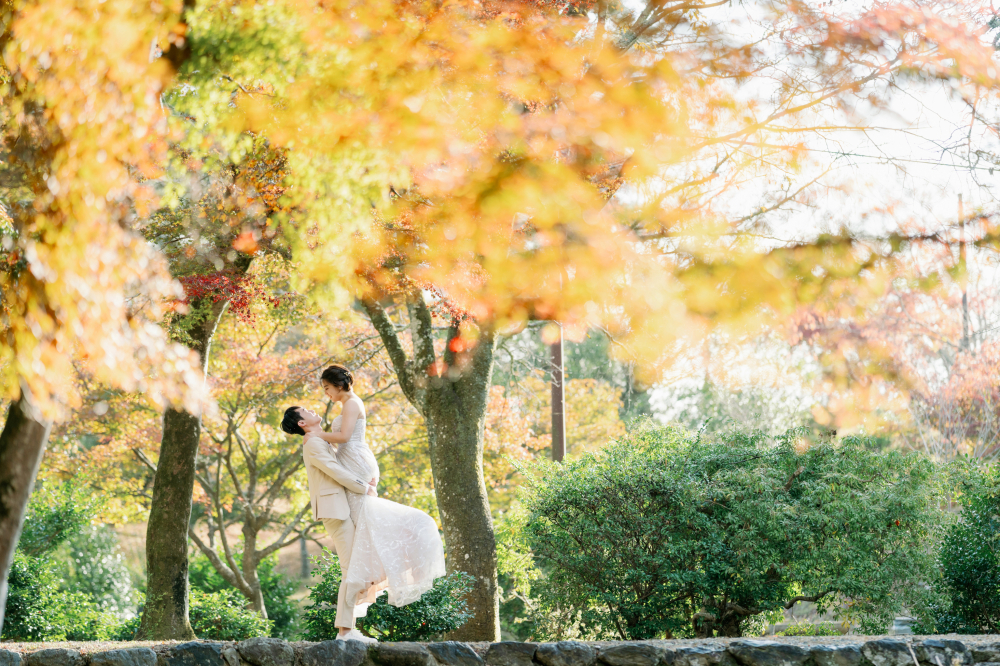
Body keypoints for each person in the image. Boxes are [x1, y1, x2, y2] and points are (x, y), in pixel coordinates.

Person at [282, 364, 446, 641]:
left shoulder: (322, 436)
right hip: (336, 509)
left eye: (326, 388)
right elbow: (335, 470)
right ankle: (346, 631)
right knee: (352, 569)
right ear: (301, 423)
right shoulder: (313, 442)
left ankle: (348, 629)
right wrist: (363, 486)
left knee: (357, 566)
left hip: (345, 503)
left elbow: (341, 457)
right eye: (306, 410)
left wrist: (365, 478)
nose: (317, 403)